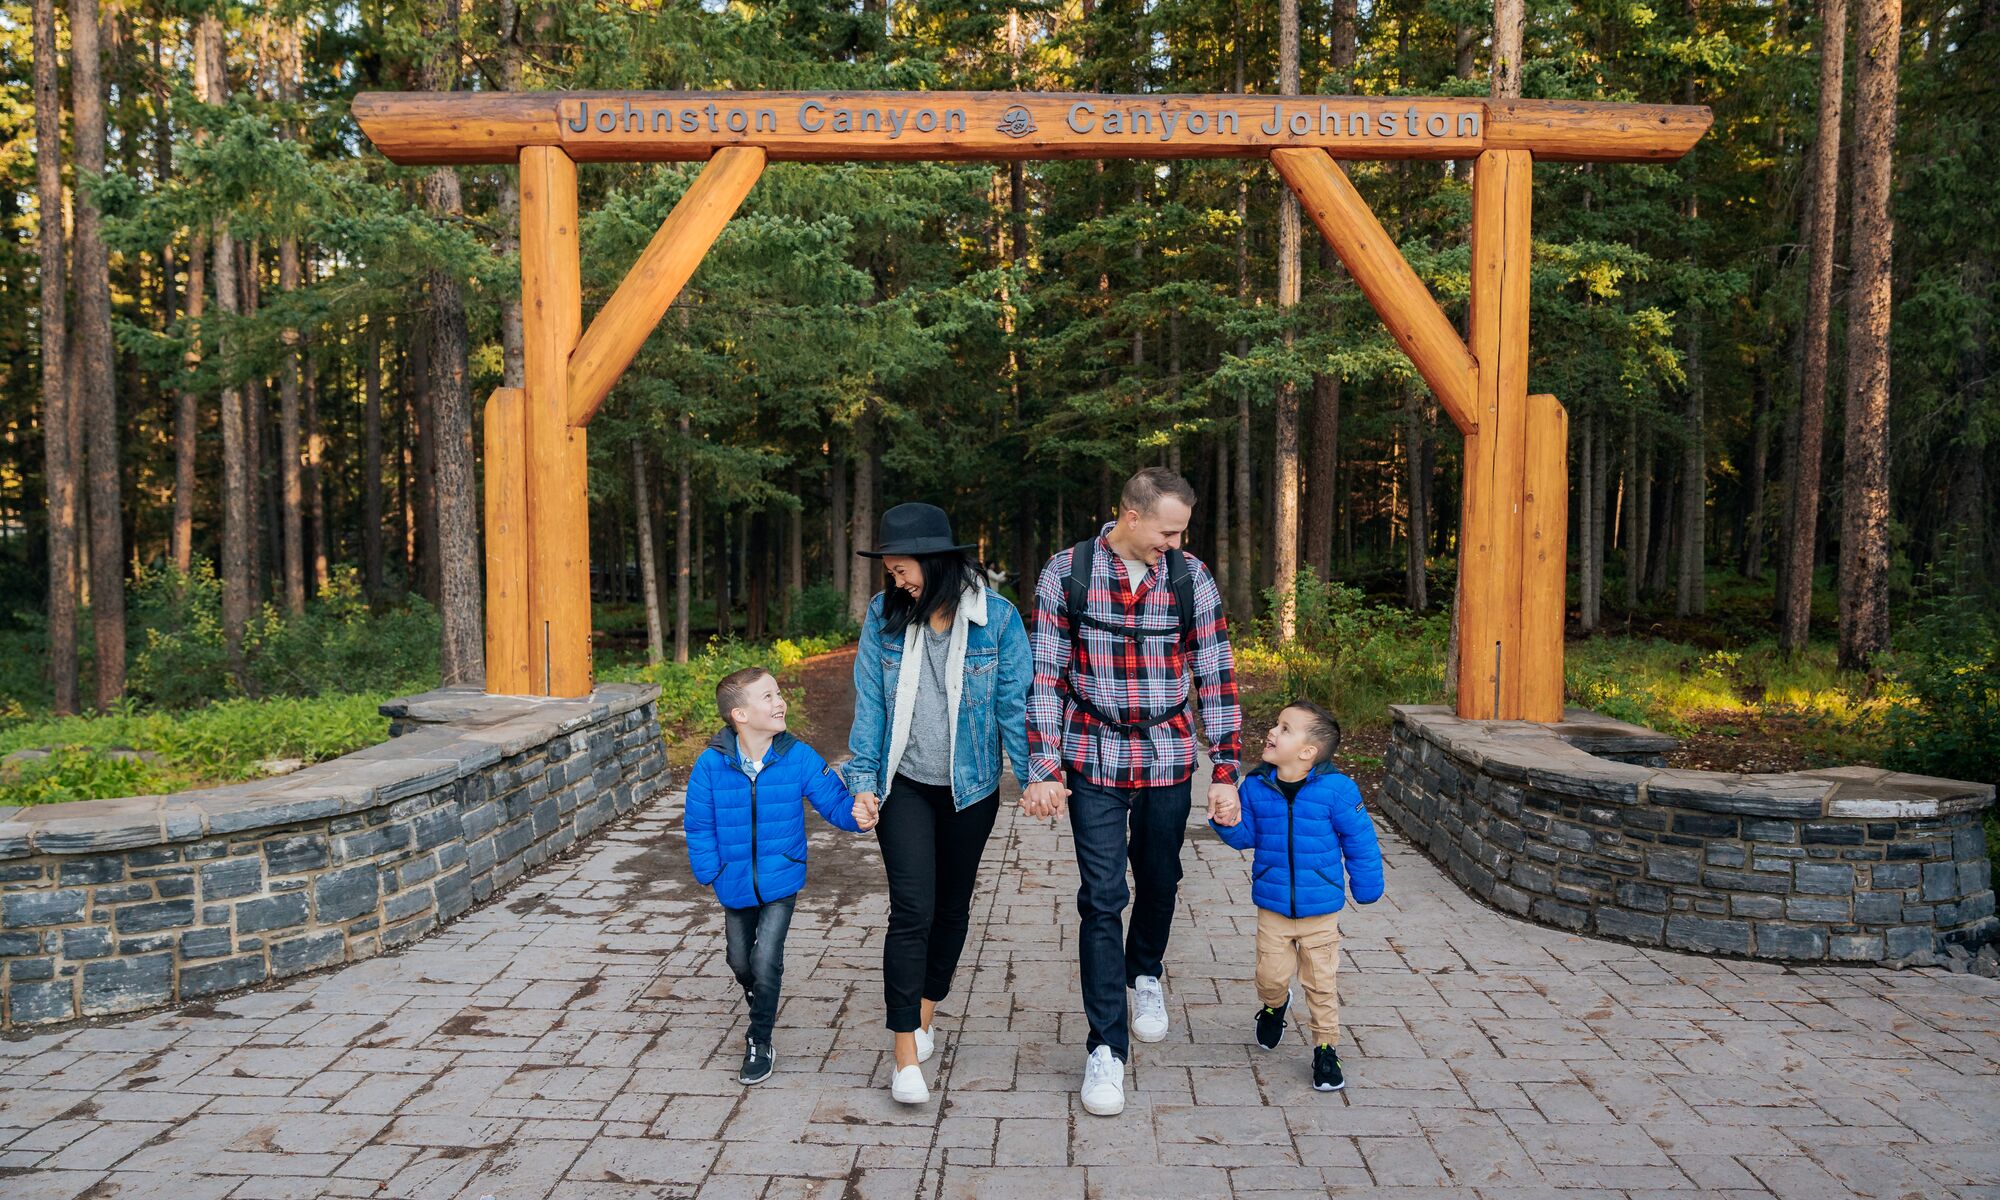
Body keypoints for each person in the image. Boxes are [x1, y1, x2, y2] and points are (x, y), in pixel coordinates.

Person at [1023, 467, 1242, 1116]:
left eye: (1182, 532)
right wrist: (1044, 764)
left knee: (1161, 878)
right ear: (1131, 515)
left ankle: (1145, 970)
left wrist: (1226, 769)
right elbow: (1045, 675)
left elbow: (1216, 674)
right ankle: (1105, 1050)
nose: (1174, 543)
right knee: (1100, 897)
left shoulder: (1189, 578)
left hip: (1171, 755)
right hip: (1093, 755)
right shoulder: (1066, 574)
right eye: (1166, 530)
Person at [847, 502, 1034, 1105]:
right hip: (904, 784)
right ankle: (904, 1055)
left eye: (904, 570)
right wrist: (864, 781)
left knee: (952, 908)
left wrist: (1033, 777)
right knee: (912, 911)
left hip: (971, 788)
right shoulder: (884, 615)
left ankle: (926, 1013)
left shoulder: (998, 620)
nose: (897, 582)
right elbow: (871, 706)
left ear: (936, 562)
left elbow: (1013, 706)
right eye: (892, 572)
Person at [684, 666, 868, 1086]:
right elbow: (698, 823)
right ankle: (760, 994)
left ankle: (759, 1037)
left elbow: (835, 802)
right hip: (732, 881)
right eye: (767, 696)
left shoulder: (797, 756)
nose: (779, 701)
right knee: (739, 960)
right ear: (740, 715)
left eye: (778, 693)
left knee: (766, 959)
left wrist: (859, 816)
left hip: (781, 877)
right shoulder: (711, 765)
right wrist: (710, 871)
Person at [1211, 701, 1384, 1092]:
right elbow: (1247, 836)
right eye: (1276, 724)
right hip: (1272, 906)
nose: (1272, 731)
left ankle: (1326, 1049)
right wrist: (1226, 821)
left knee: (1321, 983)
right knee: (1269, 976)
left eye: (1285, 728)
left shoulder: (1338, 790)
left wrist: (1367, 884)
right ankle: (1274, 1006)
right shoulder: (1256, 786)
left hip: (1320, 909)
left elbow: (1360, 840)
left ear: (1308, 752)